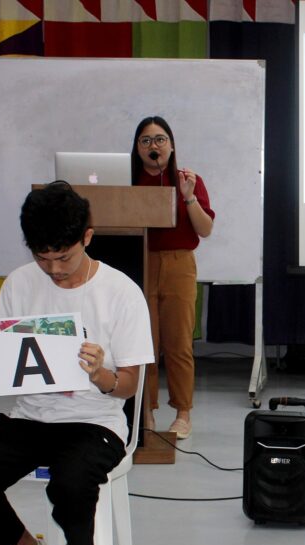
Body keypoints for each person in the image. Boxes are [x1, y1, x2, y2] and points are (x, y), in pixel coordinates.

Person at [0, 182, 153, 545]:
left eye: (64, 257)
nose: (54, 270)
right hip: (30, 416)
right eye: (42, 258)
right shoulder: (19, 283)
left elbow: (130, 385)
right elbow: (8, 370)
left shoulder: (121, 292)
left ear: (87, 237)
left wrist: (99, 374)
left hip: (95, 421)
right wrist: (1, 362)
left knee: (71, 481)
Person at [131, 116, 215, 440]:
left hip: (180, 264)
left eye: (160, 139)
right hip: (142, 264)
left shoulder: (188, 180)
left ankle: (183, 413)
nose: (153, 146)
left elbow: (205, 229)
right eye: (146, 140)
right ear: (137, 148)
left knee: (178, 343)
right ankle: (147, 410)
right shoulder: (131, 181)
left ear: (172, 145)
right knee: (145, 344)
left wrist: (189, 196)